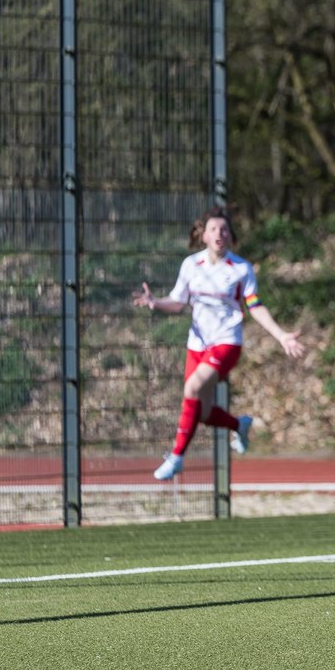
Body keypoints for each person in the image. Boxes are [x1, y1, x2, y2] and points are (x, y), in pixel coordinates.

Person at [132, 206, 304, 480]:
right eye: (213, 229)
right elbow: (178, 302)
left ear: (230, 235)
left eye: (224, 229)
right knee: (202, 411)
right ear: (203, 235)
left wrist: (280, 334)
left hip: (227, 343)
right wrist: (155, 302)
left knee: (191, 387)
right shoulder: (191, 265)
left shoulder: (240, 268)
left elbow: (255, 306)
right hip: (197, 345)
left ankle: (176, 457)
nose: (219, 233)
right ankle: (239, 424)